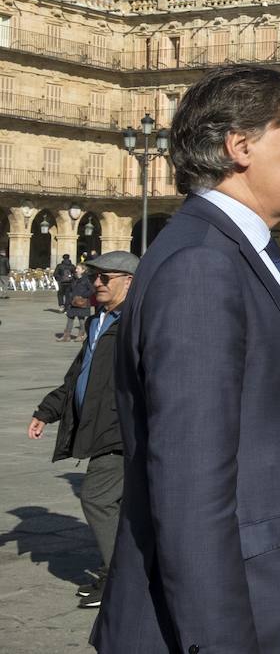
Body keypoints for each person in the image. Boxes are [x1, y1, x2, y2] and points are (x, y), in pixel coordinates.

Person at [93, 65, 280, 654]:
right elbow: (190, 484)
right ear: (239, 147)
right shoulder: (202, 265)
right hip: (247, 613)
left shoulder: (235, 249)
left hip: (278, 596)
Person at [28, 251, 138, 610]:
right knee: (117, 504)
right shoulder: (98, 321)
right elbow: (79, 374)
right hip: (100, 426)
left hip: (122, 428)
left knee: (97, 497)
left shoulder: (139, 323)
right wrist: (49, 409)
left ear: (129, 281)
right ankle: (128, 570)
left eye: (105, 277)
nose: (96, 283)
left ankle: (119, 579)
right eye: (95, 277)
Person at [58, 264, 94, 341]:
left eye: (78, 268)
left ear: (83, 270)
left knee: (81, 320)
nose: (76, 270)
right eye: (76, 268)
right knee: (70, 318)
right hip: (73, 302)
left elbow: (92, 290)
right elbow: (69, 290)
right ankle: (66, 336)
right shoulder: (74, 279)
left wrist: (83, 295)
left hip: (82, 302)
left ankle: (81, 335)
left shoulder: (87, 279)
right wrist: (68, 299)